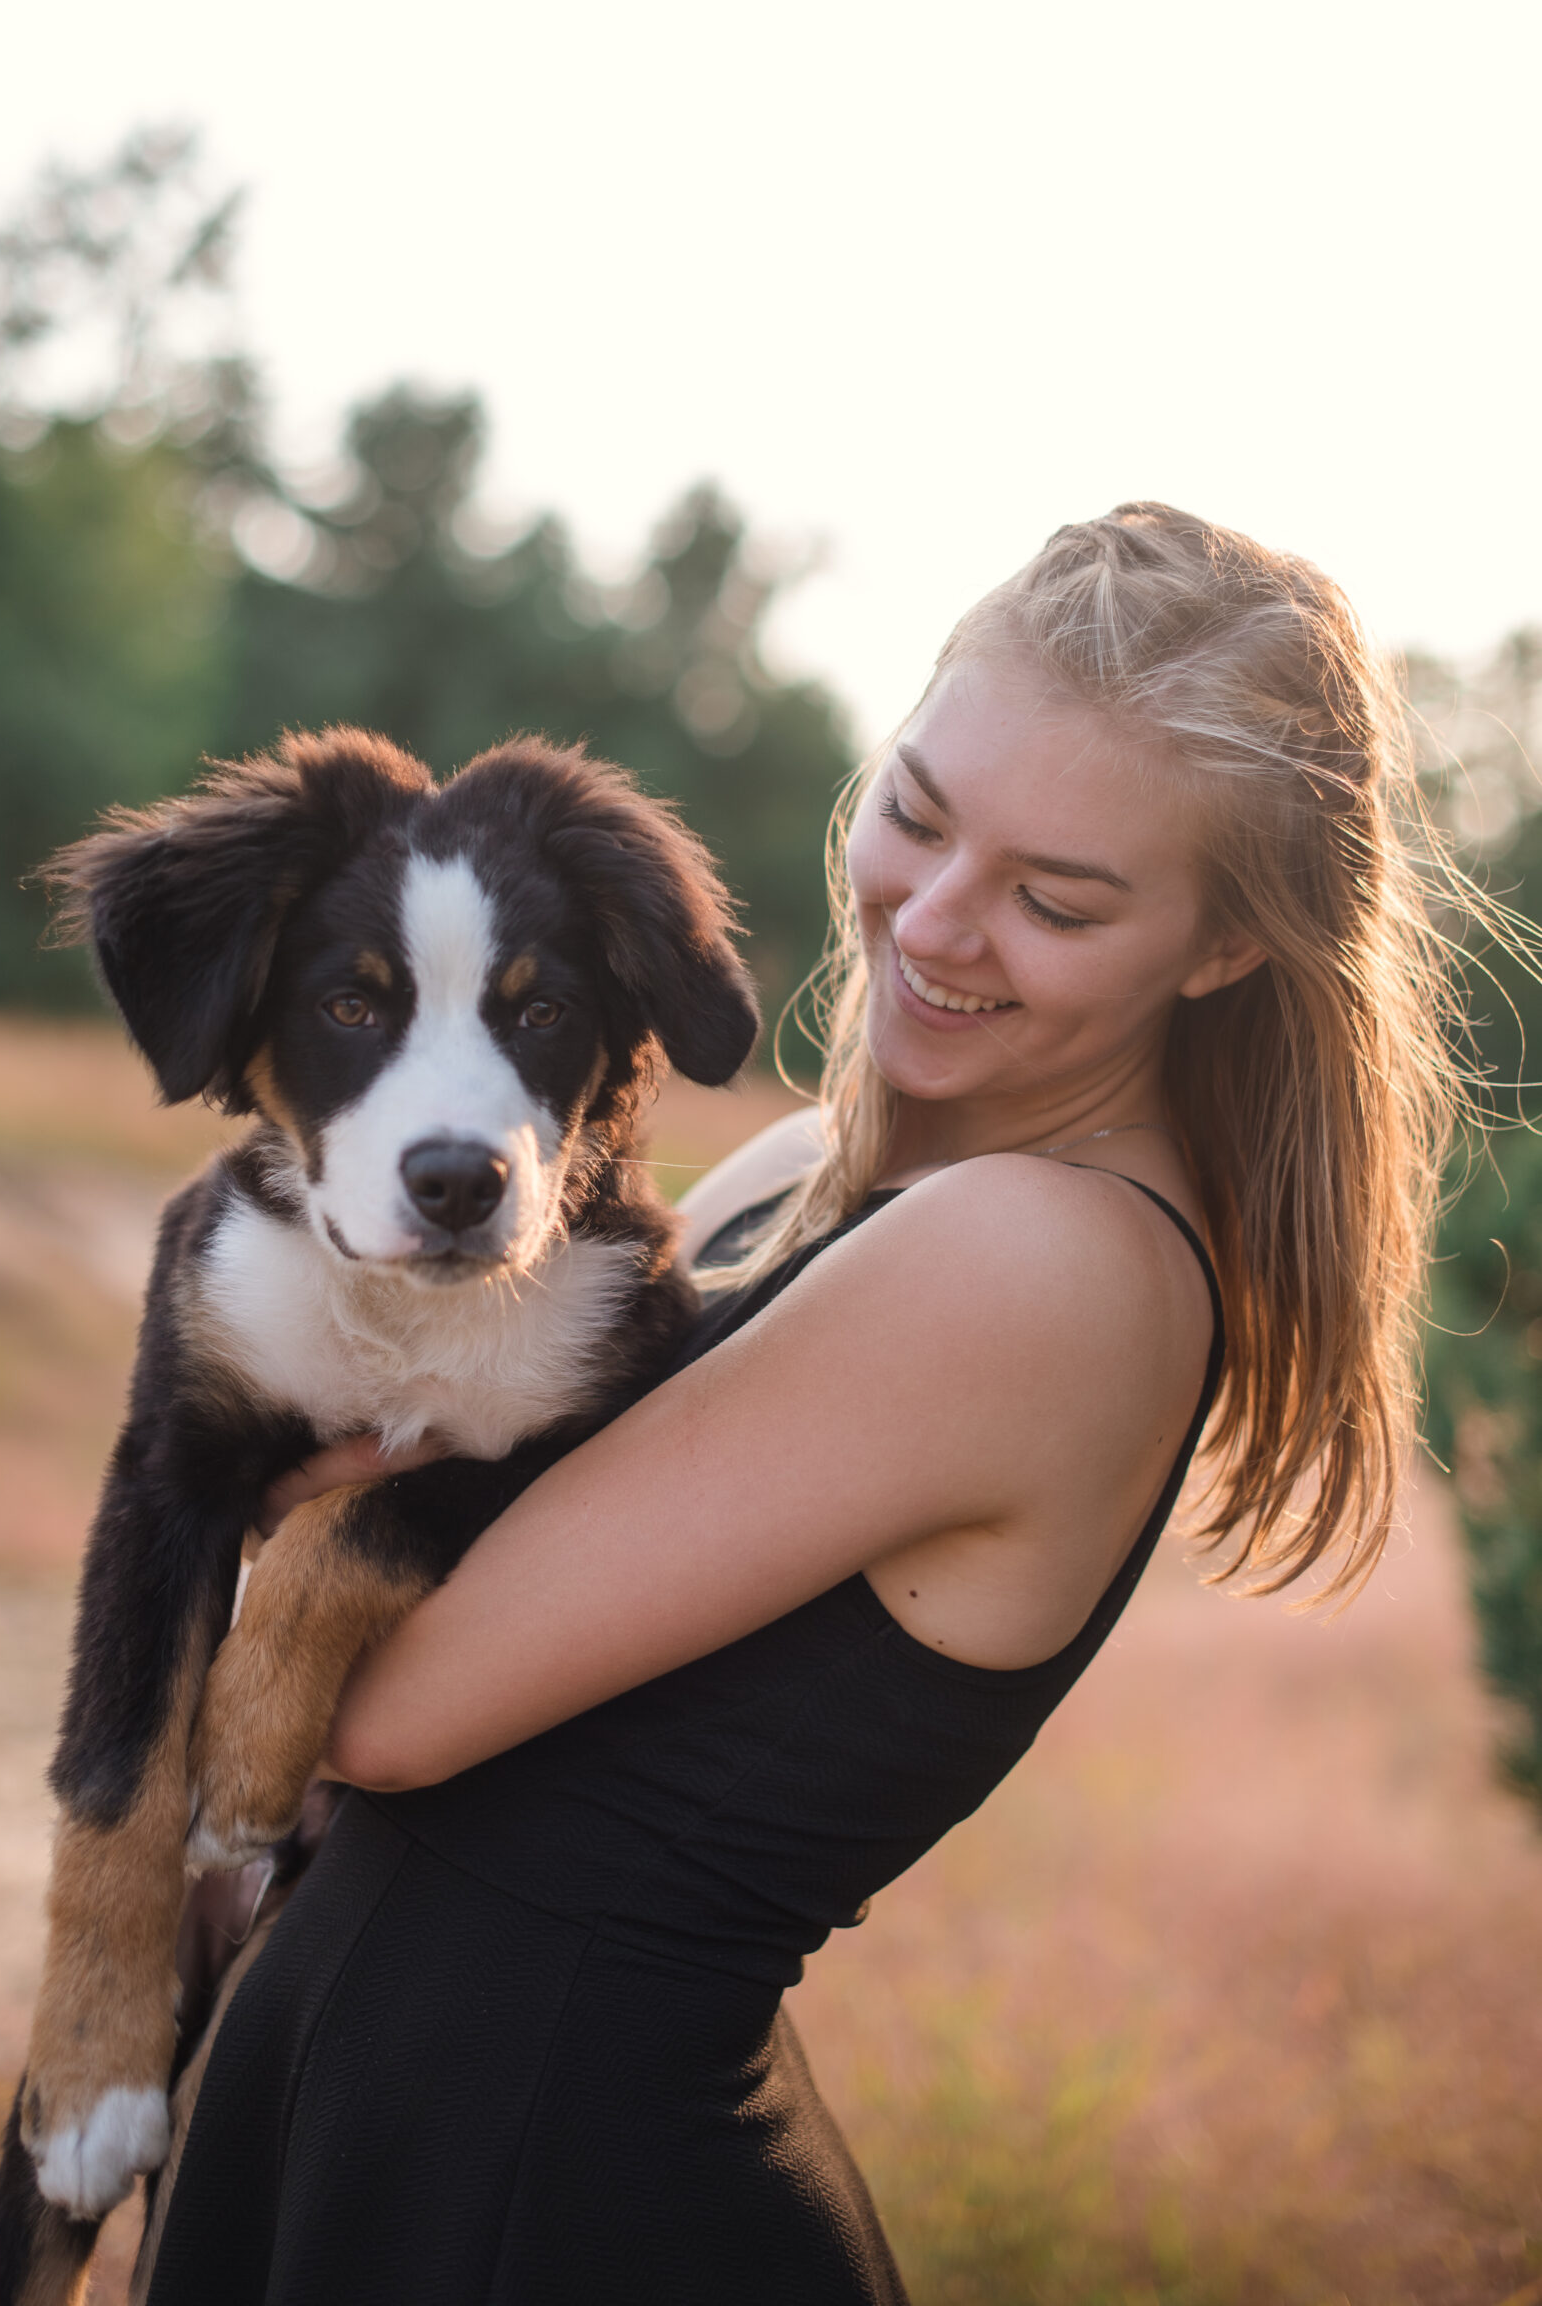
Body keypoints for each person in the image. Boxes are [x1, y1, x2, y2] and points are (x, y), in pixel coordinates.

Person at [136, 502, 1468, 2305]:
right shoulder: (785, 1173)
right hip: (398, 2120)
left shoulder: (1037, 1264)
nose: (931, 919)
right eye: (916, 810)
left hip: (547, 2195)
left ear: (1222, 950)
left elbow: (378, 1719)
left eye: (1054, 898)